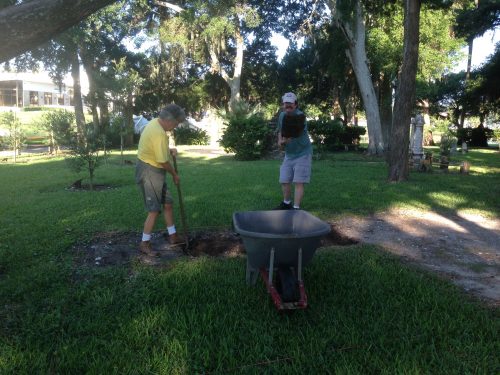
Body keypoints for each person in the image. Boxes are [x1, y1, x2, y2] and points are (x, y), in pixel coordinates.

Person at [135, 104, 186, 256]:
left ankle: (173, 236)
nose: (175, 127)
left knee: (168, 203)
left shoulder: (155, 123)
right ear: (169, 121)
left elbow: (158, 150)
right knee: (154, 210)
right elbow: (163, 161)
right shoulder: (159, 133)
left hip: (154, 169)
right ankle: (144, 243)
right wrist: (175, 175)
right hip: (149, 171)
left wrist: (168, 149)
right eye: (176, 124)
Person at [275, 92, 312, 210]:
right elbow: (280, 130)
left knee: (298, 181)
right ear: (283, 104)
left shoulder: (300, 116)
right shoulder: (282, 115)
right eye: (286, 103)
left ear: (295, 104)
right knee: (284, 180)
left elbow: (295, 134)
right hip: (289, 154)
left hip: (302, 153)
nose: (288, 105)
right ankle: (286, 203)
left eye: (290, 103)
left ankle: (296, 208)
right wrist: (279, 140)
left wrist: (284, 141)